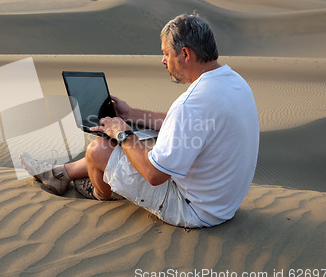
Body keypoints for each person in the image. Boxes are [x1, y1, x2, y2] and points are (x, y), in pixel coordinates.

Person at [20, 13, 259, 228]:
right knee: (140, 138)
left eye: (166, 53)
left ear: (185, 54)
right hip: (222, 203)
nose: (163, 61)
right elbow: (185, 126)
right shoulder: (233, 82)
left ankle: (99, 192)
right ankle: (61, 173)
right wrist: (131, 116)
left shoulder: (192, 103)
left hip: (193, 209)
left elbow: (154, 175)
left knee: (99, 149)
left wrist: (123, 134)